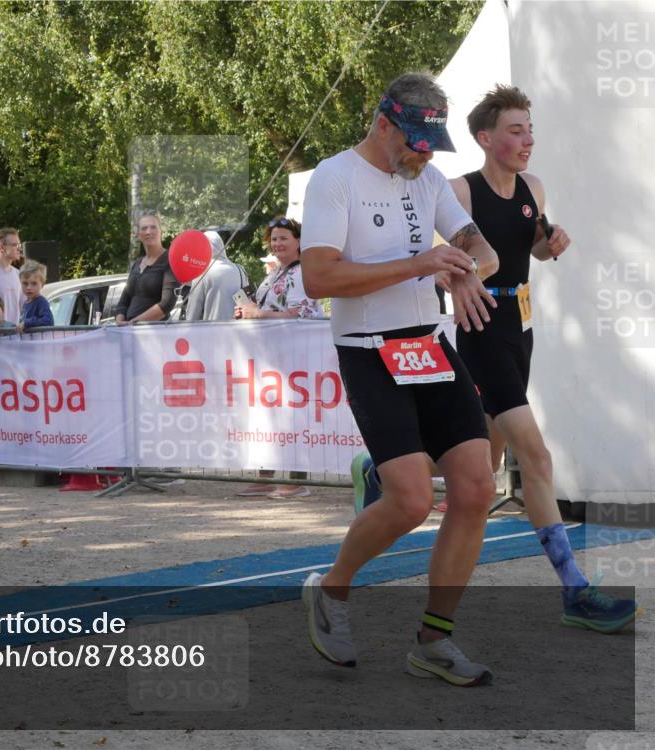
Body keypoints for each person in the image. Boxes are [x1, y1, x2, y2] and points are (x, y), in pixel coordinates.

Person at [299, 73, 501, 686]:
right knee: (412, 500)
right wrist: (420, 264)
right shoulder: (335, 177)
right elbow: (319, 278)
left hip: (430, 348)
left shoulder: (430, 178)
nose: (424, 154)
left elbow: (483, 251)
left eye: (432, 144)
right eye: (415, 141)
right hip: (367, 351)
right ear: (382, 123)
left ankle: (434, 642)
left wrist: (466, 271)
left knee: (475, 489)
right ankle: (331, 590)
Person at [448, 85, 635, 632]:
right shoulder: (460, 192)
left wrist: (547, 247)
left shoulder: (534, 187)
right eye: (515, 130)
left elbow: (529, 244)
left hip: (521, 327)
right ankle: (575, 590)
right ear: (486, 138)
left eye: (530, 129)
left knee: (479, 466)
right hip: (480, 328)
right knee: (537, 456)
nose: (528, 140)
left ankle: (384, 471)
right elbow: (450, 263)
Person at [234, 217, 324, 499]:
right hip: (270, 357)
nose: (277, 243)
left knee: (293, 416)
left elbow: (302, 313)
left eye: (283, 237)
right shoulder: (275, 274)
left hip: (295, 357)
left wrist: (259, 314)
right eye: (274, 239)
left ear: (298, 241)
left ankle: (297, 479)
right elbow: (266, 307)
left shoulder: (301, 274)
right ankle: (265, 474)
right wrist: (247, 312)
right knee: (268, 415)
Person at [114, 212, 180, 323]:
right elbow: (123, 302)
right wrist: (120, 321)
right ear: (139, 234)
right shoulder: (137, 263)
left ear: (161, 232)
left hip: (155, 334)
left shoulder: (170, 260)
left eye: (153, 227)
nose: (149, 232)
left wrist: (134, 323)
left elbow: (167, 304)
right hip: (129, 334)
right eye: (144, 228)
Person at [185, 231, 249, 322]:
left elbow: (193, 312)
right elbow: (245, 304)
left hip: (212, 332)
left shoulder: (202, 273)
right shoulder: (240, 270)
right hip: (237, 330)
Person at [17, 261, 54, 332]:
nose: (29, 287)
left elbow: (48, 321)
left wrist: (26, 323)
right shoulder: (26, 303)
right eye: (25, 283)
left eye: (34, 283)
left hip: (40, 341)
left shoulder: (41, 302)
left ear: (42, 284)